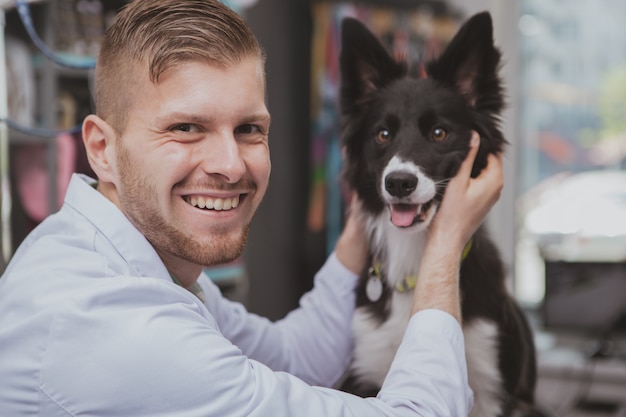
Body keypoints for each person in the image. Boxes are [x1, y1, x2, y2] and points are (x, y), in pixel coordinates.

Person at [0, 0, 504, 415]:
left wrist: (366, 223)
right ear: (102, 149)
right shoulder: (118, 324)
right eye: (185, 128)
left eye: (249, 130)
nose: (229, 165)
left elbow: (295, 357)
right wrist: (445, 245)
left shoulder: (138, 261)